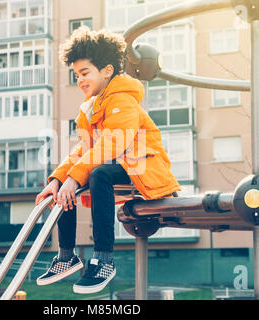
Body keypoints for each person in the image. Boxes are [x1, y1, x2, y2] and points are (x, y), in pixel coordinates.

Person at [35, 27, 180, 294]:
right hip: (120, 166)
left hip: (144, 166)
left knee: (96, 173)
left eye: (85, 73)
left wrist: (74, 177)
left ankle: (103, 259)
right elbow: (83, 150)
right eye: (76, 75)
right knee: (69, 186)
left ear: (107, 70)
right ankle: (67, 255)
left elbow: (112, 144)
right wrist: (58, 179)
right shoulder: (92, 108)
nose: (80, 80)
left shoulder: (122, 101)